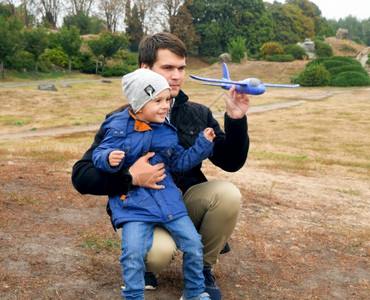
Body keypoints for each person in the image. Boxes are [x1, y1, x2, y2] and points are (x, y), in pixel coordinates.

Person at [72, 32, 250, 300]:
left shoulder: (198, 113)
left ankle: (201, 270)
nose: (177, 76)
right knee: (157, 254)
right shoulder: (120, 121)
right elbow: (82, 175)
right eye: (167, 68)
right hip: (141, 206)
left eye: (181, 68)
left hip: (180, 204)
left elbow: (231, 162)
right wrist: (130, 177)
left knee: (227, 194)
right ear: (145, 69)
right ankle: (145, 265)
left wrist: (235, 119)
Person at [92, 68, 214, 300]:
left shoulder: (167, 131)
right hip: (133, 205)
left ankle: (195, 292)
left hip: (168, 201)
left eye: (167, 99)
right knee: (133, 252)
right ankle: (134, 295)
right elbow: (99, 153)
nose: (165, 105)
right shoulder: (116, 125)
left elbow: (178, 161)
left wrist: (202, 145)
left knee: (193, 244)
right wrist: (108, 159)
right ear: (139, 104)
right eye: (157, 100)